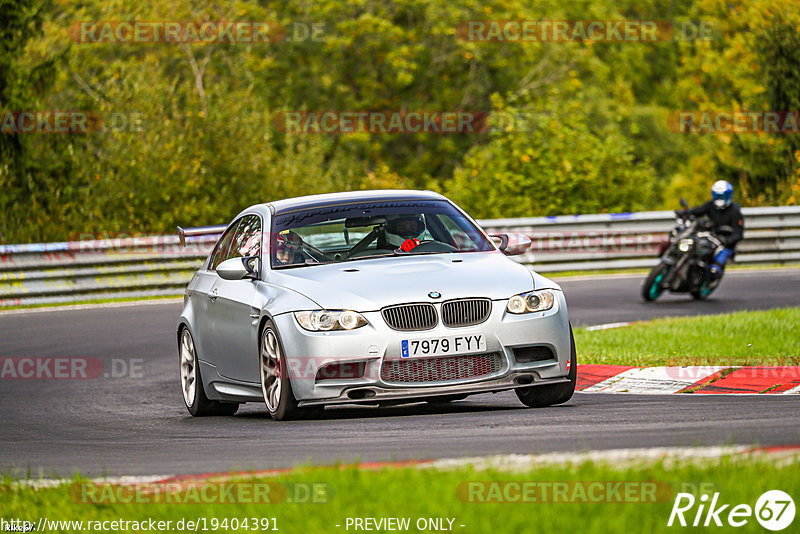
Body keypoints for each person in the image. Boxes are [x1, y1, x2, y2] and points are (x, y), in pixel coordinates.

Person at [678, 180, 744, 279]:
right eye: (717, 196)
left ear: (728, 196)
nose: (719, 199)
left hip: (725, 243)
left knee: (715, 268)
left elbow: (739, 233)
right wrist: (685, 213)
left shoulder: (735, 211)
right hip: (711, 236)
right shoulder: (711, 205)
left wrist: (728, 240)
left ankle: (712, 272)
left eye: (722, 196)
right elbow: (698, 211)